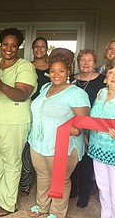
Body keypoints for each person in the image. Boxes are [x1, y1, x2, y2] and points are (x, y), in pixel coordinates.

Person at [28, 48, 90, 218]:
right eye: (53, 71)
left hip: (61, 146)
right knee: (42, 176)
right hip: (39, 142)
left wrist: (73, 130)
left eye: (61, 71)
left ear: (68, 72)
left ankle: (56, 213)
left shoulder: (77, 94)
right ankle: (42, 207)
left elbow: (83, 123)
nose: (56, 74)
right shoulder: (46, 88)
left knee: (60, 180)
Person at [0, 28, 37, 217]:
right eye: (5, 44)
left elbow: (23, 94)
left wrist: (2, 86)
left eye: (13, 45)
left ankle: (9, 203)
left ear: (19, 47)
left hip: (14, 122)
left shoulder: (25, 66)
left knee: (12, 162)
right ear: (0, 45)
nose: (8, 48)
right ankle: (0, 194)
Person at [88, 58, 115, 218]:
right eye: (111, 72)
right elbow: (95, 118)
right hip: (98, 150)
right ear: (106, 77)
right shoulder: (101, 93)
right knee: (103, 188)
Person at [70, 49, 105, 208]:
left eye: (89, 60)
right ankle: (71, 190)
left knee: (85, 161)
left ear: (95, 63)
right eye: (82, 60)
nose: (85, 63)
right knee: (71, 158)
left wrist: (87, 130)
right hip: (71, 126)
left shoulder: (102, 81)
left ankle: (84, 194)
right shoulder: (71, 79)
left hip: (91, 128)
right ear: (78, 62)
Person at [19, 37, 50, 197]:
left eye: (42, 47)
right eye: (36, 47)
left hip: (47, 114)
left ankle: (44, 182)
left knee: (43, 147)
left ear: (46, 49)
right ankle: (25, 182)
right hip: (28, 110)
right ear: (32, 49)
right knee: (26, 148)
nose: (39, 49)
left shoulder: (53, 68)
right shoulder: (27, 67)